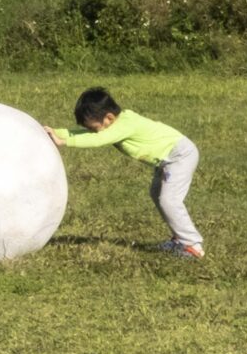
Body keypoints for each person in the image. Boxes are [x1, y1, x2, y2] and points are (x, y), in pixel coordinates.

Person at [50, 89, 204, 259]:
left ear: (109, 118)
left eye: (94, 127)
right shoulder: (115, 123)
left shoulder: (124, 124)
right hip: (167, 160)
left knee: (169, 200)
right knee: (157, 194)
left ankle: (192, 244)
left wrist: (65, 141)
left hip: (180, 156)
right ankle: (179, 240)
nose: (93, 131)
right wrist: (57, 132)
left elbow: (98, 139)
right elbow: (88, 134)